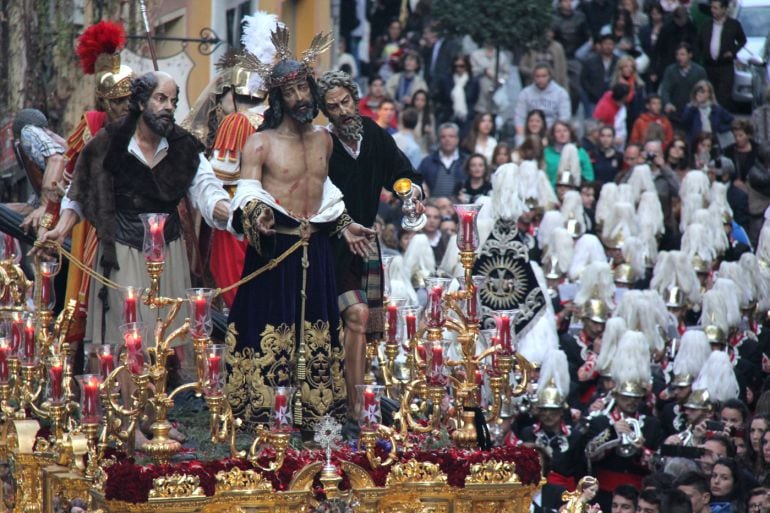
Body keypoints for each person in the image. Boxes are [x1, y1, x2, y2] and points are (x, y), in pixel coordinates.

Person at [40, 71, 230, 346]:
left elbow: (207, 190)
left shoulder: (184, 146)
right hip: (121, 249)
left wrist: (234, 212)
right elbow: (78, 192)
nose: (168, 107)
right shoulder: (107, 142)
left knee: (170, 341)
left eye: (173, 101)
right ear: (141, 102)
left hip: (170, 251)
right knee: (128, 342)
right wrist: (60, 229)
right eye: (160, 98)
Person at [317, 70, 423, 420]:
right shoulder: (324, 145)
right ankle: (354, 403)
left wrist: (409, 193)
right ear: (325, 112)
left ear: (355, 96)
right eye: (333, 107)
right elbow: (313, 198)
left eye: (346, 101)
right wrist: (342, 226)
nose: (343, 110)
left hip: (364, 247)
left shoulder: (374, 135)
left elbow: (401, 173)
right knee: (355, 316)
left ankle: (355, 398)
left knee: (360, 323)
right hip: (329, 250)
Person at [61, 20, 134, 346]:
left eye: (130, 100)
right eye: (118, 101)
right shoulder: (90, 125)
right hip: (97, 222)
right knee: (91, 285)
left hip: (140, 221)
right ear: (104, 102)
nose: (125, 107)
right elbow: (68, 172)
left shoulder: (146, 129)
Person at [696, 0, 746, 110]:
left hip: (725, 67)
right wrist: (704, 54)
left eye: (716, 8)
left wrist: (732, 52)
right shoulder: (706, 25)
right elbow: (698, 43)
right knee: (707, 94)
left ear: (724, 9)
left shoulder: (733, 25)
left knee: (723, 97)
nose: (712, 10)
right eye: (712, 8)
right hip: (709, 66)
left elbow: (742, 40)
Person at [514, 62, 571, 138]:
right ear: (533, 77)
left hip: (553, 133)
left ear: (550, 76)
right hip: (530, 133)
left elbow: (564, 118)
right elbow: (519, 117)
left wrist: (551, 136)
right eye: (538, 76)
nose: (540, 79)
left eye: (544, 76)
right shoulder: (525, 93)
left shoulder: (561, 93)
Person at [659, 43, 707, 129]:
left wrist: (697, 103)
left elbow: (704, 91)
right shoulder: (670, 70)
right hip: (674, 111)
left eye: (682, 54)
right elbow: (665, 89)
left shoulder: (700, 71)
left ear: (690, 55)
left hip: (693, 111)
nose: (679, 57)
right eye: (677, 54)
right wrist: (667, 103)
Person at [417, 122, 467, 198]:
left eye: (451, 136)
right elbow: (417, 182)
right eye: (443, 137)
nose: (447, 139)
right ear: (439, 140)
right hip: (432, 206)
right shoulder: (428, 162)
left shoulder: (466, 161)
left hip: (460, 205)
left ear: (457, 139)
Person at [680, 80, 734, 147]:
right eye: (697, 91)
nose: (699, 94)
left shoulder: (717, 109)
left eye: (702, 92)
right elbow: (684, 124)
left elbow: (732, 121)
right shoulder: (690, 108)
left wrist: (721, 128)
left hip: (712, 142)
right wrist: (694, 106)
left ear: (709, 94)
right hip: (695, 143)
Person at [544, 121, 595, 186]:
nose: (562, 134)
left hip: (576, 190)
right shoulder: (546, 152)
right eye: (558, 131)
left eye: (565, 131)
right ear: (553, 134)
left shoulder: (580, 152)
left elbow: (589, 176)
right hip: (551, 191)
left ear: (570, 133)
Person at [580, 34, 619, 118]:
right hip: (593, 99)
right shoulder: (590, 61)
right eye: (606, 44)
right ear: (600, 45)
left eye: (610, 44)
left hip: (613, 100)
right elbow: (583, 80)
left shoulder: (619, 62)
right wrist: (592, 91)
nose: (608, 47)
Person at [594, 83, 631, 148]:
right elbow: (599, 129)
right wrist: (612, 140)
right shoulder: (604, 108)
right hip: (612, 143)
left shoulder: (618, 103)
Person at [724, 119, 759, 186]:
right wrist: (733, 181)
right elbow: (725, 172)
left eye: (740, 135)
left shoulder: (758, 150)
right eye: (735, 136)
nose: (737, 139)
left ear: (748, 135)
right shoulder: (728, 151)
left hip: (755, 188)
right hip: (734, 187)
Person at [409, 89, 436, 155]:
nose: (419, 102)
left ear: (426, 102)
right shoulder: (406, 115)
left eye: (422, 100)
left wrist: (430, 132)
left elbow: (433, 141)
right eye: (417, 99)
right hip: (409, 150)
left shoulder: (430, 117)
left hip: (423, 151)